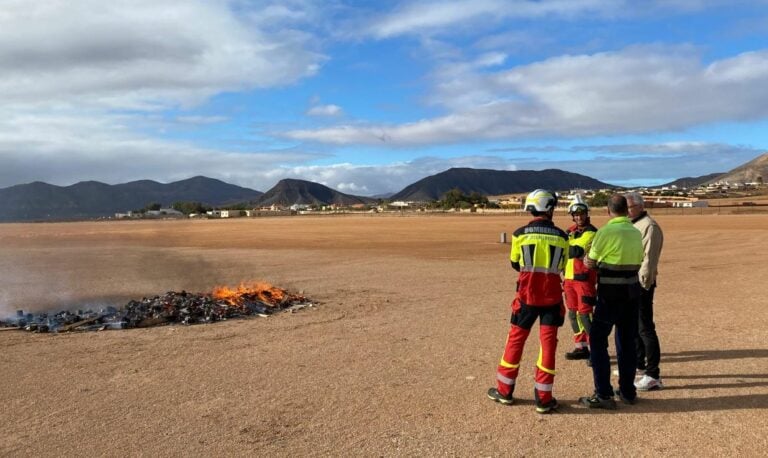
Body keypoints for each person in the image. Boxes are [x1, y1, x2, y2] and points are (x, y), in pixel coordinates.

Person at [487, 189, 569, 414]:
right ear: (549, 208)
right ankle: (544, 398)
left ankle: (504, 391)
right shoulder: (562, 236)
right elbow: (562, 265)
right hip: (552, 299)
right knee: (548, 345)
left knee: (515, 341)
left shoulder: (519, 234)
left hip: (526, 298)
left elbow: (515, 263)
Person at [579, 194, 644, 409]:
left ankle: (604, 393)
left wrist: (589, 260)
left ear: (608, 211)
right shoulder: (635, 233)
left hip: (609, 294)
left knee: (597, 340)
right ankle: (627, 391)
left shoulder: (605, 232)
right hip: (632, 294)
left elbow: (590, 262)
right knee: (627, 342)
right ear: (627, 210)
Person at [626, 192, 665, 391]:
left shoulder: (649, 226)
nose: (627, 212)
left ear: (640, 207)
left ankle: (653, 374)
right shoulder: (633, 225)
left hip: (642, 284)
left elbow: (649, 261)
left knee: (645, 328)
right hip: (631, 283)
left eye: (630, 208)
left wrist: (642, 284)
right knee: (634, 327)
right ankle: (639, 365)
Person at [563, 196, 598, 362]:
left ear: (586, 214)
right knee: (573, 314)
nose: (578, 217)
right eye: (575, 214)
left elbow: (575, 250)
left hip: (584, 279)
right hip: (569, 278)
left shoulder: (592, 232)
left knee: (585, 315)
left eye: (581, 213)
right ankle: (581, 347)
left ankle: (596, 350)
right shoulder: (570, 231)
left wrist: (562, 244)